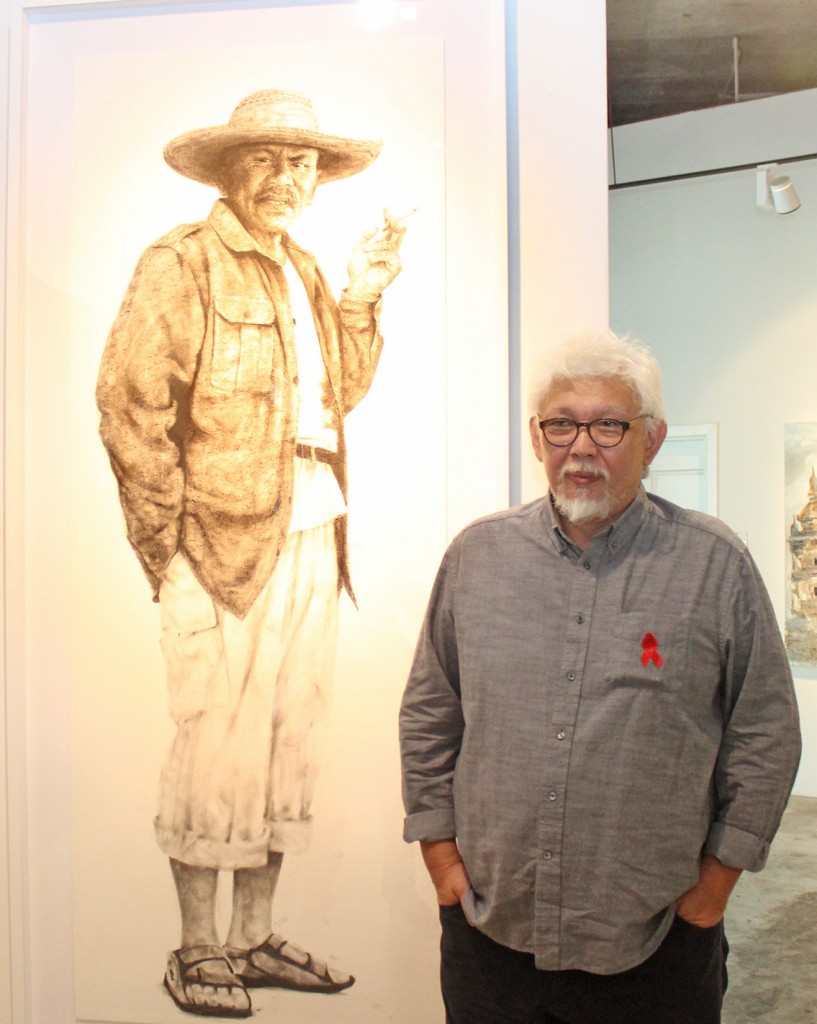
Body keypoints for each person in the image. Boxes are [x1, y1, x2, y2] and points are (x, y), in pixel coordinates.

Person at [97, 89, 407, 1019]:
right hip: (219, 543)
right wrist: (169, 551)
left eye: (303, 163)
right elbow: (129, 409)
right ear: (232, 170)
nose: (287, 179)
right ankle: (196, 950)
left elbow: (339, 394)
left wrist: (361, 295)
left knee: (287, 740)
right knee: (214, 745)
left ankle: (252, 939)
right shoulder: (180, 262)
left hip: (315, 524)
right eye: (267, 160)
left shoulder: (305, 270)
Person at [399, 328, 801, 1024]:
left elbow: (764, 733)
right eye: (561, 424)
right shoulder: (477, 558)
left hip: (654, 945)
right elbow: (429, 714)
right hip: (492, 938)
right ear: (536, 438)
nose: (580, 447)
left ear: (651, 439)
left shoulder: (713, 565)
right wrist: (441, 863)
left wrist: (711, 893)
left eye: (607, 425)